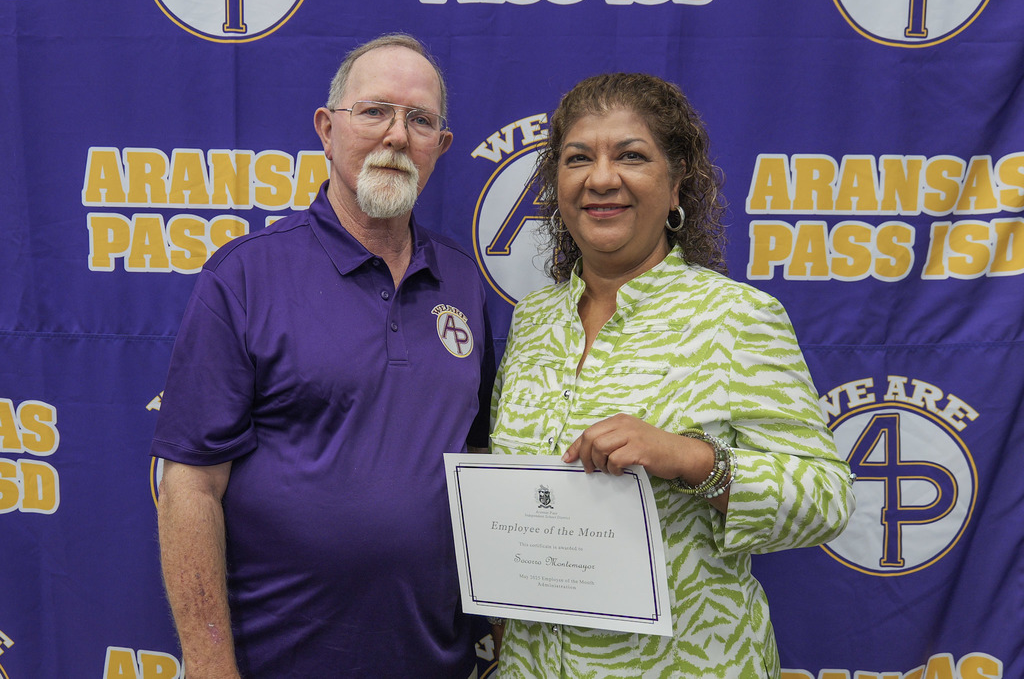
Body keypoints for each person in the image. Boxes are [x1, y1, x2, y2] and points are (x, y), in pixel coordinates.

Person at [489, 73, 855, 678]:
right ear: (557, 185)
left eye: (631, 156)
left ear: (678, 180)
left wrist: (692, 459)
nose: (601, 179)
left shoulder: (735, 318)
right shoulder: (533, 323)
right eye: (579, 158)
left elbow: (825, 500)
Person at [152, 33, 493, 678]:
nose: (397, 135)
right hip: (277, 661)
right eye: (374, 111)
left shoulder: (462, 280)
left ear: (440, 148)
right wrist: (208, 667)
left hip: (435, 661)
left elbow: (477, 459)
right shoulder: (245, 277)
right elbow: (190, 484)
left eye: (419, 120)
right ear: (326, 129)